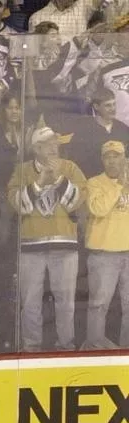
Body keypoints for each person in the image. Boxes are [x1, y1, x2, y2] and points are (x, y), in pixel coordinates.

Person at [7, 126, 86, 352]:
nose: (55, 147)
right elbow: (19, 205)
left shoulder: (70, 168)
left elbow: (77, 202)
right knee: (30, 302)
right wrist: (40, 181)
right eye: (50, 143)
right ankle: (31, 348)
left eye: (56, 143)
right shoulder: (22, 170)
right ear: (36, 148)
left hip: (66, 246)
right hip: (31, 247)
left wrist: (59, 179)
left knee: (66, 302)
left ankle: (66, 347)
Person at [83, 140, 129, 348]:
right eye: (108, 157)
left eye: (116, 156)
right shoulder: (94, 183)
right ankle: (95, 351)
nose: (112, 161)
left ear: (124, 159)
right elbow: (99, 209)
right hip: (104, 254)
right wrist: (120, 185)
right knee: (98, 305)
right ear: (102, 160)